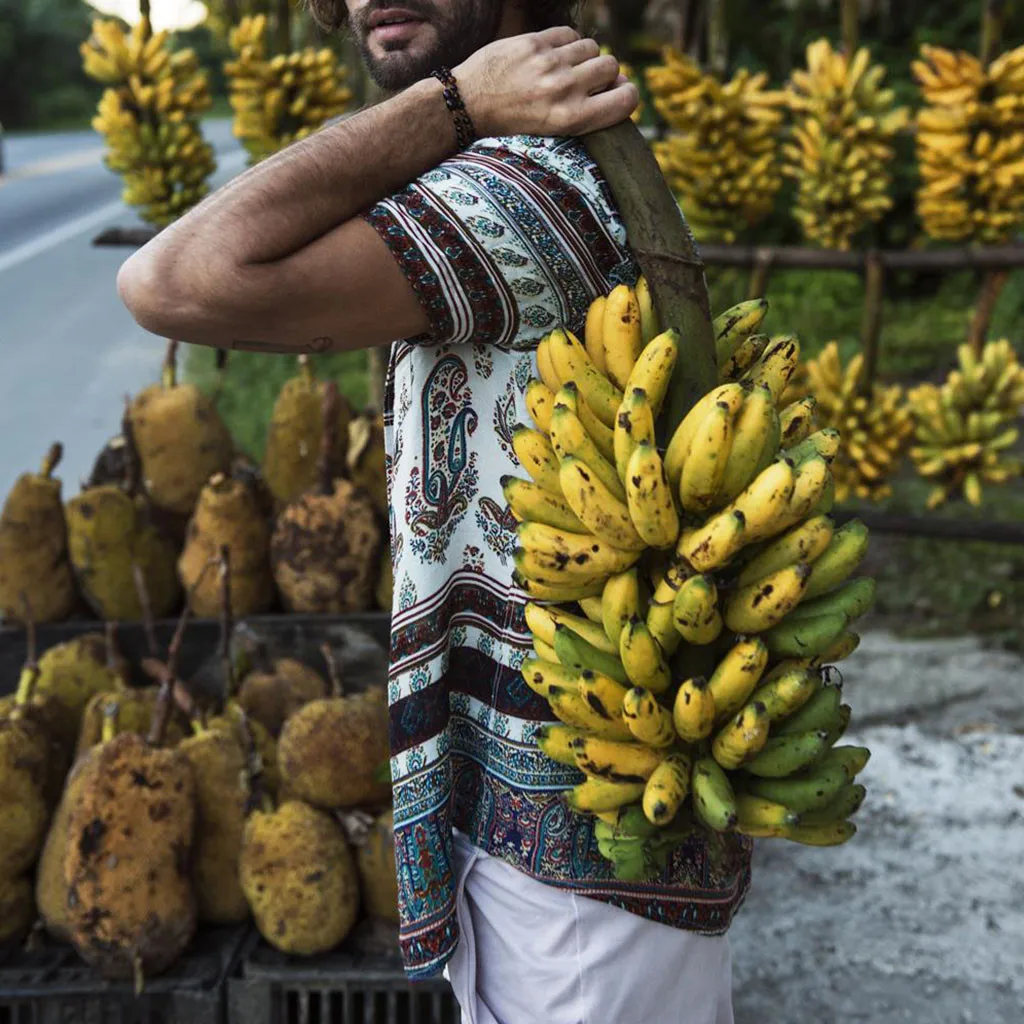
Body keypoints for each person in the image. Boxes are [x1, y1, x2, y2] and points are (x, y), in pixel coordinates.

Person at [118, 2, 747, 1020]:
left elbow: (170, 279)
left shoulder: (526, 192)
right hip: (532, 830)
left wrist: (449, 106)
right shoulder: (506, 171)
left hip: (585, 849)